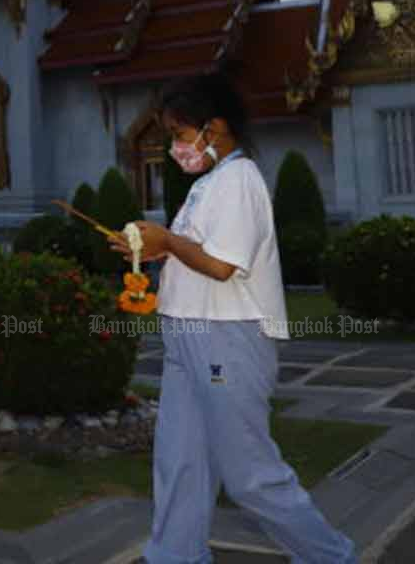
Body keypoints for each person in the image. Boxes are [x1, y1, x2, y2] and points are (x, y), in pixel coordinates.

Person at [112, 72, 356, 564]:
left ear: (214, 128)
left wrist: (167, 241)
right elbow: (198, 254)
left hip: (226, 339)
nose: (176, 148)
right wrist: (156, 250)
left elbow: (223, 266)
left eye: (181, 136)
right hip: (187, 334)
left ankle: (332, 557)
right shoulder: (209, 185)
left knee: (250, 474)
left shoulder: (239, 180)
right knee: (180, 464)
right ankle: (174, 556)